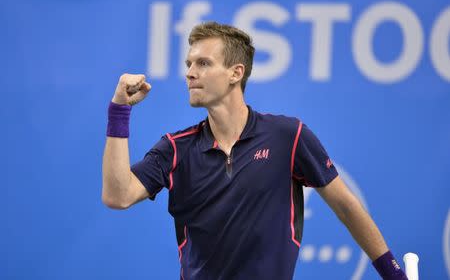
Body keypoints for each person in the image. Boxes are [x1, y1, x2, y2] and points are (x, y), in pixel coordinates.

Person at [102, 21, 407, 280]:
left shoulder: (289, 136)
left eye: (204, 63)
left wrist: (394, 274)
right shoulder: (175, 149)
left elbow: (347, 207)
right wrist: (119, 111)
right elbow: (118, 196)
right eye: (189, 64)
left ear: (236, 73)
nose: (190, 73)